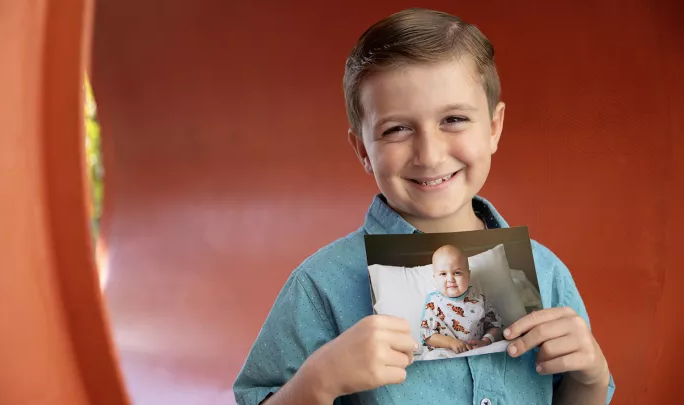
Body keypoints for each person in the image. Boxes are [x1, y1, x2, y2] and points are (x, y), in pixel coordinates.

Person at [233, 7, 615, 405]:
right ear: (364, 150)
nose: (430, 156)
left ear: (494, 128)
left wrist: (590, 380)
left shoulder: (548, 273)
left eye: (453, 119)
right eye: (396, 129)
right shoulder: (317, 288)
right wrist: (317, 383)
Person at [420, 245, 502, 354]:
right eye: (443, 274)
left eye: (457, 272)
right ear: (435, 278)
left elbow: (496, 326)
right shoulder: (433, 303)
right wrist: (451, 343)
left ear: (468, 275)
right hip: (445, 351)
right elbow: (427, 335)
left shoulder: (479, 299)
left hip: (477, 350)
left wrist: (486, 341)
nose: (450, 279)